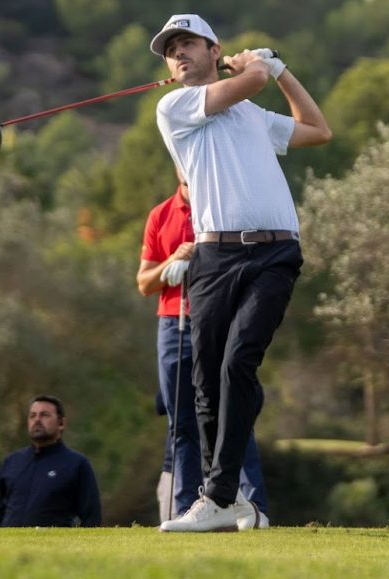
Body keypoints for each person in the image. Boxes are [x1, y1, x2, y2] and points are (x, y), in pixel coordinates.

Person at [149, 14, 331, 532]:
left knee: (237, 363)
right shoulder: (174, 106)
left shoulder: (252, 114)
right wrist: (257, 66)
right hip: (214, 258)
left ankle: (218, 496)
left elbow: (319, 130)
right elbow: (249, 81)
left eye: (188, 44)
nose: (178, 54)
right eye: (171, 50)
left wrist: (283, 71)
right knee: (207, 379)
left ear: (213, 49)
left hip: (274, 255)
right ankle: (228, 501)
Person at [138, 173, 270, 525]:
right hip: (173, 323)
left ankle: (253, 507)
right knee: (180, 423)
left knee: (232, 413)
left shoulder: (223, 211)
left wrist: (201, 254)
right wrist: (171, 262)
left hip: (218, 318)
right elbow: (144, 282)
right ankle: (188, 508)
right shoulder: (161, 215)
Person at [0, 395, 102, 527]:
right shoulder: (12, 462)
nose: (37, 420)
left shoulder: (76, 464)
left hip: (54, 546)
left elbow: (91, 517)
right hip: (8, 546)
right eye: (32, 416)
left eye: (44, 415)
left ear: (61, 423)